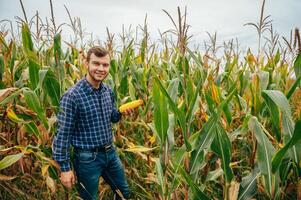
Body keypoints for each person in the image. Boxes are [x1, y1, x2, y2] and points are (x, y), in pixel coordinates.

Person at [52, 46, 132, 200]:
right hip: (87, 159)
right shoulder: (72, 97)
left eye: (105, 65)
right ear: (86, 63)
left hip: (110, 153)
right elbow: (63, 135)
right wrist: (65, 168)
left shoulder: (108, 91)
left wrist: (120, 113)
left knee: (123, 192)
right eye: (96, 64)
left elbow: (111, 118)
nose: (101, 68)